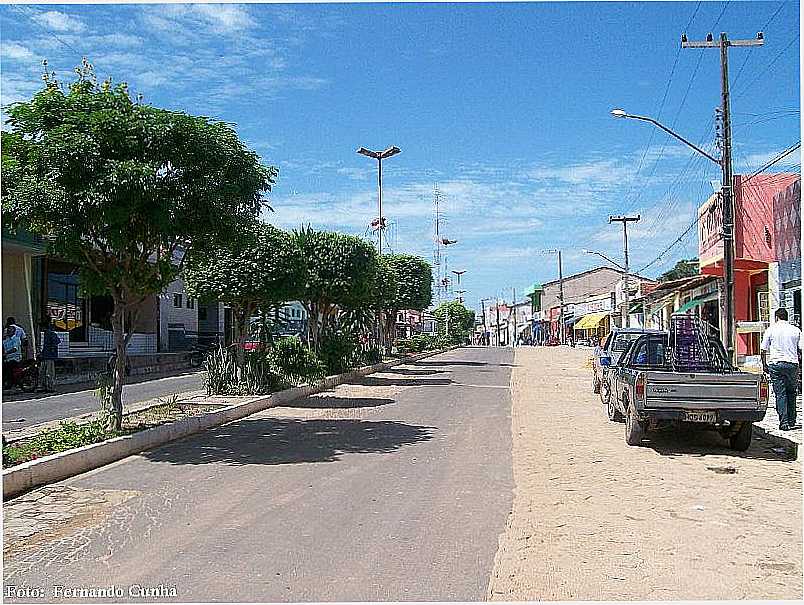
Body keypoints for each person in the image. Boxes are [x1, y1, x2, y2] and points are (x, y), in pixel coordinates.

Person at [761, 308, 801, 431]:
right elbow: (800, 349)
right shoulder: (796, 330)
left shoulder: (771, 330)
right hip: (792, 365)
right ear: (786, 317)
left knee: (780, 393)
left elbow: (763, 350)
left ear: (776, 317)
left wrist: (764, 365)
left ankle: (784, 422)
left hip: (776, 365)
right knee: (792, 392)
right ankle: (792, 420)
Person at [38, 320, 61, 393]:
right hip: (45, 356)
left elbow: (56, 342)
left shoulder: (51, 334)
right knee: (43, 372)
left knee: (49, 373)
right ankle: (44, 386)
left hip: (49, 356)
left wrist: (51, 349)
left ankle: (50, 387)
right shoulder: (46, 334)